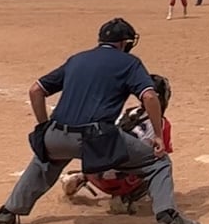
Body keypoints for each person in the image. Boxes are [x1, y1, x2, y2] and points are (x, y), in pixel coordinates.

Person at [0, 18, 199, 224]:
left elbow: (36, 90)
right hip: (97, 138)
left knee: (44, 162)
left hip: (57, 133)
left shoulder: (77, 59)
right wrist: (157, 134)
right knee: (158, 162)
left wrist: (44, 126)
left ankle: (6, 214)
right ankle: (168, 220)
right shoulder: (129, 63)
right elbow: (149, 96)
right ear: (124, 42)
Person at [61, 75, 174, 213]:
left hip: (93, 170)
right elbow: (159, 154)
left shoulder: (129, 112)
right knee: (161, 163)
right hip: (117, 179)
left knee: (109, 149)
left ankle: (81, 177)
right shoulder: (162, 125)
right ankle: (125, 198)